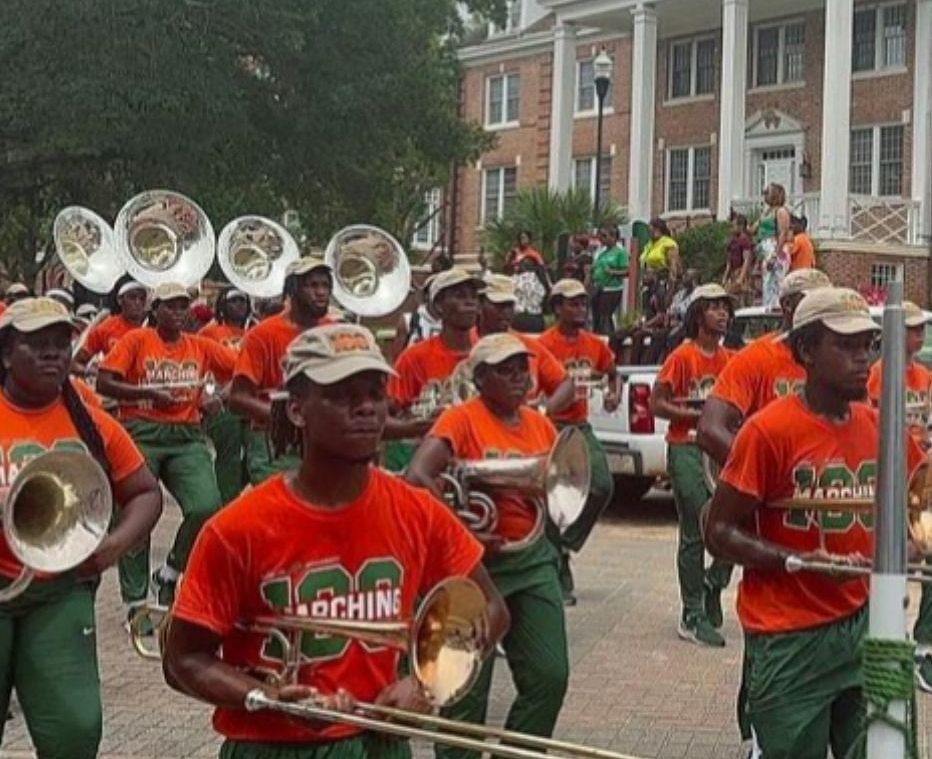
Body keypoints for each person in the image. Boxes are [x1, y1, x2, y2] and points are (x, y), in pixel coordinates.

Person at [163, 323, 510, 759]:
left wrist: (426, 684)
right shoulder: (237, 527)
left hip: (381, 743)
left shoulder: (416, 510)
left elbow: (491, 609)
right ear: (297, 410)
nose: (365, 407)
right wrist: (262, 696)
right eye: (342, 395)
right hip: (272, 747)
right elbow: (184, 660)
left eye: (374, 392)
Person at [705, 287, 921, 759]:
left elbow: (924, 504)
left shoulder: (882, 427)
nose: (862, 358)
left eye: (867, 344)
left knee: (892, 750)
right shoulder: (768, 431)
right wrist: (797, 560)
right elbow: (717, 531)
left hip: (870, 624)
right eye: (845, 346)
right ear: (805, 350)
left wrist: (914, 540)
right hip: (789, 639)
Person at [0, 297, 161, 759]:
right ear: (8, 354)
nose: (53, 353)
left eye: (60, 344)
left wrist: (112, 546)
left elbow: (146, 493)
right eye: (38, 345)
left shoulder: (91, 422)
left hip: (58, 591)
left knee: (75, 730)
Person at [405, 332, 570, 758]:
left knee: (550, 677)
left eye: (522, 368)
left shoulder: (541, 424)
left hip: (531, 560)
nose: (519, 377)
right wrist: (462, 531)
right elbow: (418, 475)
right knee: (464, 694)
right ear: (480, 378)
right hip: (474, 570)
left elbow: (560, 485)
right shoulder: (460, 419)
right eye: (505, 370)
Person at [93, 281, 236, 618]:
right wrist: (150, 394)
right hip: (140, 432)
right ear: (155, 310)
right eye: (169, 305)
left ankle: (170, 572)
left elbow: (244, 371)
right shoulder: (136, 340)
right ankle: (135, 603)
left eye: (183, 305)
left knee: (207, 506)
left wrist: (219, 398)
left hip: (186, 436)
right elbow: (104, 381)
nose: (177, 312)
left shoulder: (201, 345)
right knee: (136, 515)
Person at [864, 300, 932, 695]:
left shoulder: (926, 377)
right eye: (912, 329)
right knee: (889, 561)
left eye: (922, 329)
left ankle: (922, 647)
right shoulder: (873, 377)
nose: (919, 336)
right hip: (884, 483)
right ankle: (886, 642)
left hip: (922, 483)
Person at [653, 283, 737, 647]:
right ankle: (691, 612)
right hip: (685, 445)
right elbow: (657, 403)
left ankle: (712, 582)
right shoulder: (682, 357)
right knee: (696, 520)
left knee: (733, 520)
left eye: (726, 308)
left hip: (718, 450)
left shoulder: (732, 360)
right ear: (698, 313)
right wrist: (691, 415)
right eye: (715, 307)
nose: (723, 314)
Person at [533, 278, 618, 604]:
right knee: (551, 497)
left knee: (601, 485)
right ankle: (556, 567)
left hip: (579, 426)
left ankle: (564, 544)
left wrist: (612, 393)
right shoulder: (542, 345)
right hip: (549, 426)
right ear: (557, 308)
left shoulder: (594, 344)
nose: (581, 308)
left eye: (583, 302)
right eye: (573, 303)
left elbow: (612, 371)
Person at [698, 268, 832, 472]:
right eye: (811, 302)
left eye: (825, 304)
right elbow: (710, 429)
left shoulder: (834, 362)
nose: (820, 311)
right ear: (787, 305)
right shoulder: (755, 358)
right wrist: (760, 474)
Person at [229, 258, 336, 485]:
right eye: (312, 286)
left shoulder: (335, 332)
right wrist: (284, 418)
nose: (321, 293)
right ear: (292, 290)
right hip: (274, 442)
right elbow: (237, 398)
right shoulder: (262, 335)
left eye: (325, 286)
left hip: (321, 438)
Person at [386, 268, 481, 473]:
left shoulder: (487, 355)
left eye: (474, 297)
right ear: (438, 306)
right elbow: (384, 416)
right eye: (459, 296)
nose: (470, 302)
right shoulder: (414, 357)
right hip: (427, 458)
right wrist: (419, 426)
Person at [478, 275, 573, 412]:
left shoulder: (528, 347)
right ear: (480, 305)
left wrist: (544, 410)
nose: (506, 312)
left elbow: (566, 383)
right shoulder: (465, 343)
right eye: (499, 306)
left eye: (509, 306)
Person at [197, 289, 254, 503]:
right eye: (234, 301)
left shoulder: (254, 332)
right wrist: (204, 396)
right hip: (223, 401)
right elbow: (197, 361)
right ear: (222, 305)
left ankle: (228, 491)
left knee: (255, 455)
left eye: (243, 301)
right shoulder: (210, 333)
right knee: (228, 456)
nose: (239, 305)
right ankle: (225, 503)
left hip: (250, 399)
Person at [74, 276, 148, 370]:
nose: (138, 302)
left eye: (142, 299)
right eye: (132, 298)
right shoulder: (106, 328)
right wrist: (92, 373)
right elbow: (76, 363)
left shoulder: (153, 328)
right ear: (120, 300)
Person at [589, 228, 629, 337]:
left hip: (612, 289)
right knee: (597, 316)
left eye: (605, 236)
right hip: (599, 287)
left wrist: (612, 272)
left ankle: (608, 338)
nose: (602, 239)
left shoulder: (620, 252)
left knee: (605, 316)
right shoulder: (602, 252)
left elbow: (627, 271)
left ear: (613, 237)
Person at [510, 253, 551, 334]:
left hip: (518, 318)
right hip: (536, 319)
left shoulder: (515, 279)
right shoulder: (541, 280)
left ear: (522, 266)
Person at [641, 217, 681, 283]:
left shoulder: (668, 243)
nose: (650, 232)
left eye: (652, 230)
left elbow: (673, 266)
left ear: (659, 229)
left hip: (662, 281)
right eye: (649, 231)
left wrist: (672, 282)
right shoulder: (649, 245)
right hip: (649, 281)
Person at [726, 214, 757, 300]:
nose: (731, 229)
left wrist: (741, 277)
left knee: (741, 297)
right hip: (733, 272)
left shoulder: (744, 240)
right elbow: (729, 261)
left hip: (741, 272)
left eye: (733, 226)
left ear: (741, 226)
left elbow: (746, 260)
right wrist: (725, 276)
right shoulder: (733, 240)